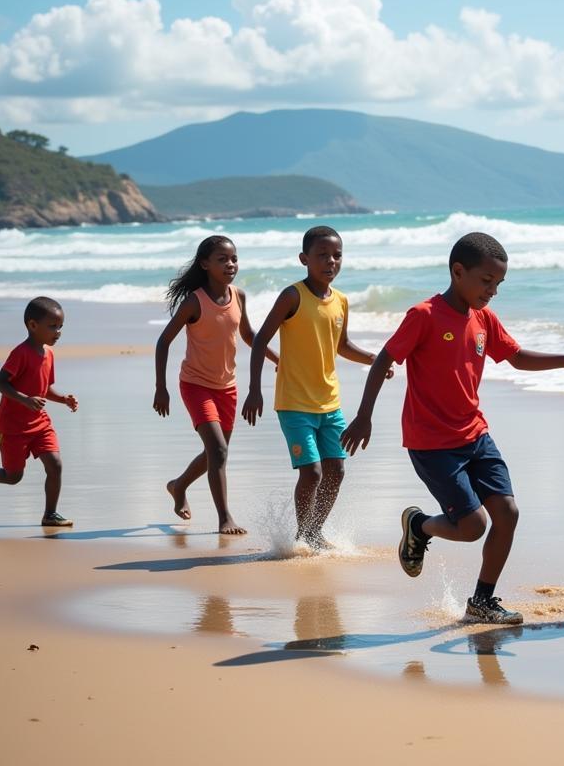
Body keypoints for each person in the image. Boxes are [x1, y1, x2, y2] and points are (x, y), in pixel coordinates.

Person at [341, 231, 564, 625]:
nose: (493, 291)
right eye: (486, 281)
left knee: (507, 513)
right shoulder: (423, 315)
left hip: (475, 435)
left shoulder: (483, 318)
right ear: (458, 272)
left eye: (499, 284)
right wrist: (364, 415)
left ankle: (482, 602)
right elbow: (385, 358)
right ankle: (419, 525)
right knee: (473, 526)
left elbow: (516, 357)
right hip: (432, 444)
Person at [241, 225, 389, 549]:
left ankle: (313, 531)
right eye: (322, 255)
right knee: (312, 472)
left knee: (335, 470)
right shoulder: (292, 295)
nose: (330, 261)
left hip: (329, 403)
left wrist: (375, 360)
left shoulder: (342, 301)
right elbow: (260, 340)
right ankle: (301, 534)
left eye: (337, 255)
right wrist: (255, 389)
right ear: (304, 259)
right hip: (294, 403)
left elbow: (343, 345)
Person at [153, 235, 277, 535]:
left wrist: (278, 359)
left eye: (233, 258)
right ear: (205, 264)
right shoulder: (194, 302)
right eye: (222, 259)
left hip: (227, 387)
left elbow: (249, 335)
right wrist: (161, 387)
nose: (230, 264)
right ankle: (224, 518)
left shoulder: (239, 296)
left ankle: (178, 485)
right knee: (219, 451)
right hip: (195, 385)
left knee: (215, 453)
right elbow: (164, 341)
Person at [0, 296, 78, 527]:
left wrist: (62, 399)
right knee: (13, 477)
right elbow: (0, 383)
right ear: (33, 325)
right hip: (13, 427)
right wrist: (24, 400)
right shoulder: (20, 353)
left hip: (40, 423)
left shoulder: (49, 354)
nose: (58, 332)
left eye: (60, 327)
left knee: (55, 464)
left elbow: (44, 388)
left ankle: (50, 514)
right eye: (52, 326)